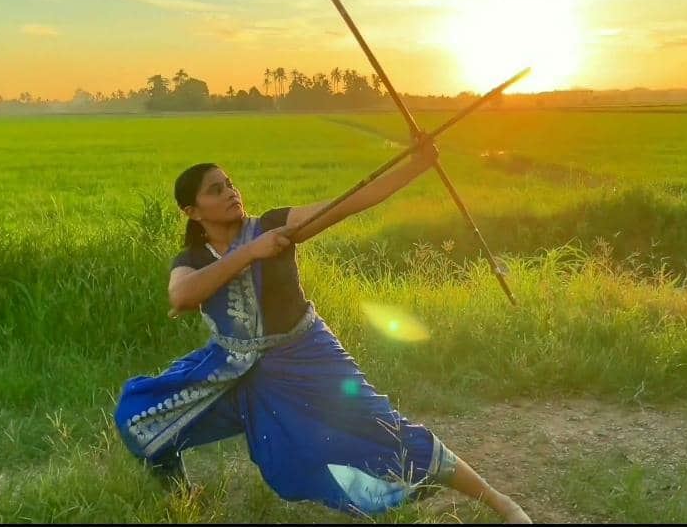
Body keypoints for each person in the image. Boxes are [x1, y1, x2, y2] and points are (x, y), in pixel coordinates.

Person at [113, 139, 531, 523]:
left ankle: (499, 502)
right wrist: (249, 255)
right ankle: (182, 494)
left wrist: (416, 165)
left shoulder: (274, 226)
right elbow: (181, 298)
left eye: (231, 184)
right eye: (216, 190)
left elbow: (345, 204)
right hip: (233, 366)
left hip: (307, 354)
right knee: (140, 417)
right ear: (192, 211)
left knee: (383, 425)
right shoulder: (192, 257)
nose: (230, 193)